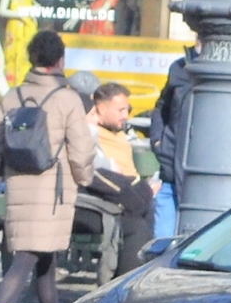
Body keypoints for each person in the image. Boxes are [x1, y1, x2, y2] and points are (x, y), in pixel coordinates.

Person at [0, 29, 95, 303]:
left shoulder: (13, 95)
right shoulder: (67, 98)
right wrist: (84, 178)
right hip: (53, 190)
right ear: (60, 60)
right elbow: (81, 149)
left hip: (18, 184)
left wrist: (2, 171)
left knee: (45, 259)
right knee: (26, 258)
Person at [78, 80, 156, 264]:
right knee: (137, 224)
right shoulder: (89, 133)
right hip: (90, 202)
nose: (126, 115)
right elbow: (96, 171)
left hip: (108, 196)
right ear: (101, 109)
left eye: (127, 109)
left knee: (142, 215)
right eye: (120, 110)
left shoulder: (118, 135)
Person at [147, 45, 193, 239]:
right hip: (171, 172)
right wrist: (159, 141)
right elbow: (162, 107)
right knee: (162, 244)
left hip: (200, 178)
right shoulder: (179, 68)